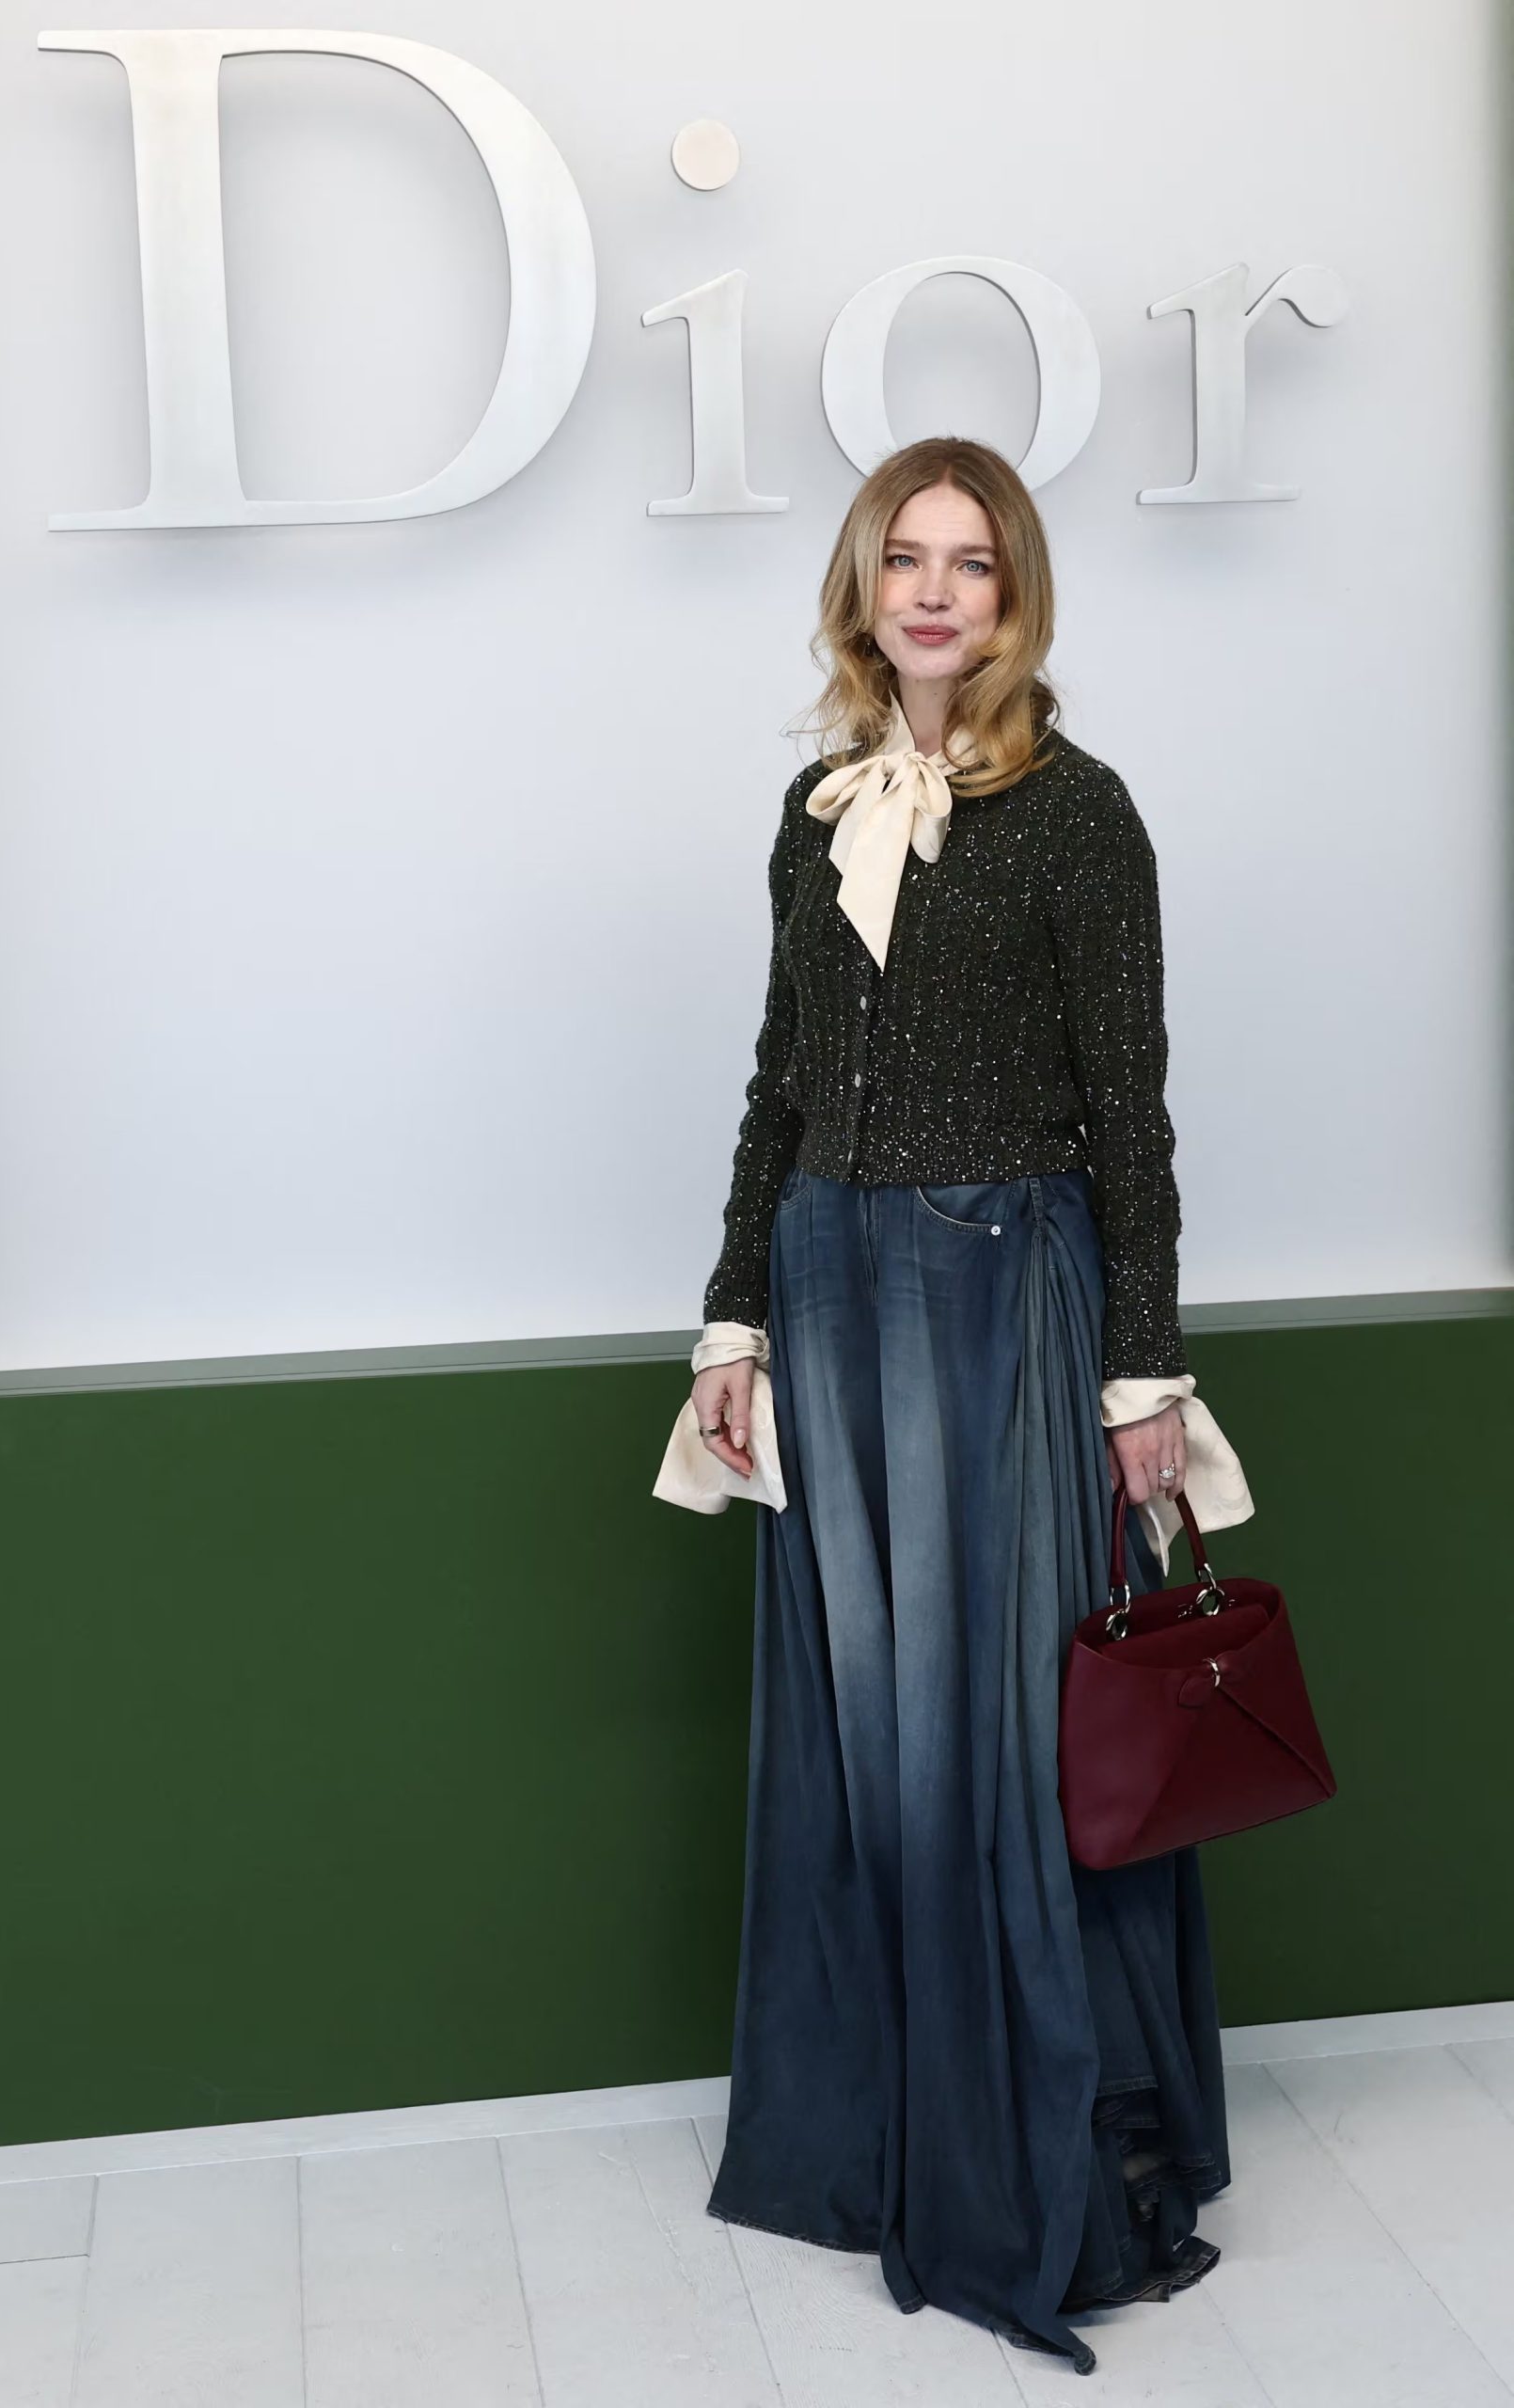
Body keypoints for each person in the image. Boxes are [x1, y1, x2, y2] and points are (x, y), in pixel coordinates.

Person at [678, 436, 1243, 2376]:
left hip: (1006, 1288)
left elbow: (1131, 1112)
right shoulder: (812, 804)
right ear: (861, 582)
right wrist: (732, 1325)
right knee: (869, 1743)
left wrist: (1139, 1376)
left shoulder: (1077, 816)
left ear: (1014, 597)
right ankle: (887, 2139)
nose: (934, 592)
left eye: (971, 564)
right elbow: (776, 1082)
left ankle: (1033, 2161)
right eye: (903, 558)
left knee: (997, 1745)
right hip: (834, 1294)